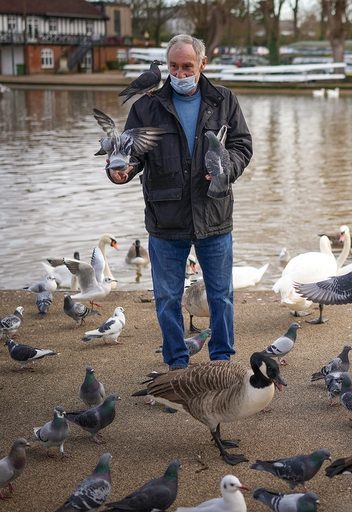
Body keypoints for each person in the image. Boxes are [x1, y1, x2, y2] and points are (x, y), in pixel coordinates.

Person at [107, 34, 253, 370]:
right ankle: (177, 365)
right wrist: (121, 171)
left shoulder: (225, 100)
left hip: (213, 213)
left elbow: (243, 147)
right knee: (168, 298)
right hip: (165, 218)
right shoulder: (145, 106)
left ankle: (222, 362)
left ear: (203, 64)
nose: (180, 73)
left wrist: (223, 168)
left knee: (220, 296)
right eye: (174, 66)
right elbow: (129, 156)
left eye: (188, 66)